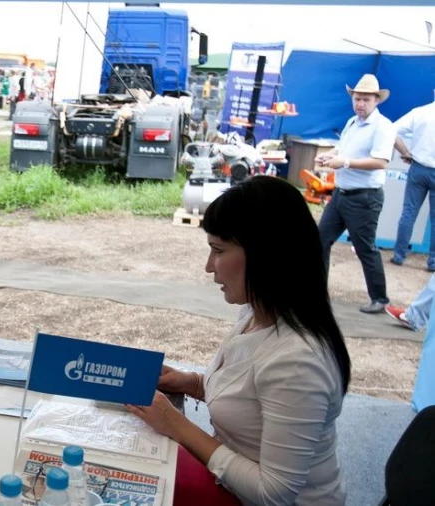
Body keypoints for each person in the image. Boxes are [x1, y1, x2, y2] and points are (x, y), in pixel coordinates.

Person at [127, 176, 351, 506]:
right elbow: (253, 403)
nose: (208, 267)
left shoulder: (297, 361)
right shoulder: (256, 312)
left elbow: (274, 493)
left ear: (266, 255)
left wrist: (176, 425)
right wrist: (193, 383)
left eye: (218, 251)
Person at [315, 74, 397, 314]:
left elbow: (381, 162)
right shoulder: (352, 122)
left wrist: (345, 162)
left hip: (365, 197)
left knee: (365, 248)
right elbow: (343, 148)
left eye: (365, 99)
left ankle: (380, 298)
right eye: (357, 98)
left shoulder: (383, 127)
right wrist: (331, 154)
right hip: (342, 193)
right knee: (320, 240)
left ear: (376, 101)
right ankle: (317, 292)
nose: (360, 103)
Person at [389, 91, 435, 270]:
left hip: (418, 167)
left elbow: (390, 130)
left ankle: (399, 255)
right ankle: (432, 262)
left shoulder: (419, 112)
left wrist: (405, 152)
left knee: (409, 212)